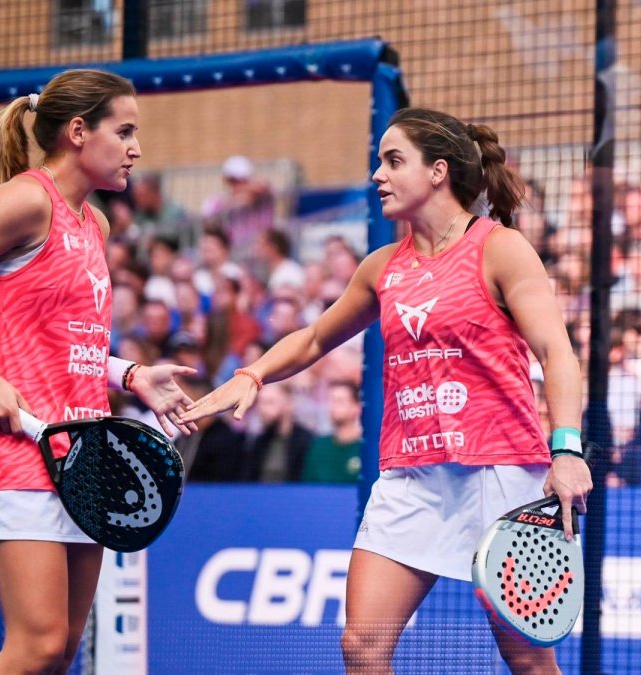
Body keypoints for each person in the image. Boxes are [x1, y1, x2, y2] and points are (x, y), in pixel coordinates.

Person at [181, 107, 593, 673]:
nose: (378, 174)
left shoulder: (500, 247)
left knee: (527, 661)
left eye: (393, 161)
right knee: (362, 646)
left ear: (437, 172)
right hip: (412, 478)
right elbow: (313, 338)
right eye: (379, 161)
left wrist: (566, 449)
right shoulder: (381, 267)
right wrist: (251, 374)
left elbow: (557, 352)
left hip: (501, 475)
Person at [0, 70, 195, 674]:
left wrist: (132, 374)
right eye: (126, 131)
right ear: (79, 132)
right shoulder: (28, 199)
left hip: (85, 454)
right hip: (18, 453)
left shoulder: (97, 224)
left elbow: (64, 344)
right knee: (34, 647)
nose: (137, 148)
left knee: (58, 654)